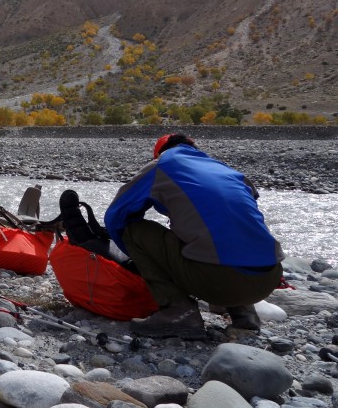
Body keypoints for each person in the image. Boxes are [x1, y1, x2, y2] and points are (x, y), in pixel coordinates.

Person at [104, 133, 284, 339]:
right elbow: (239, 219)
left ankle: (179, 312)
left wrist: (135, 260)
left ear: (158, 154)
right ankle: (244, 314)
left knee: (132, 230)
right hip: (269, 278)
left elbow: (116, 216)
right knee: (227, 233)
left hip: (219, 281)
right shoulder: (228, 171)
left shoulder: (163, 165)